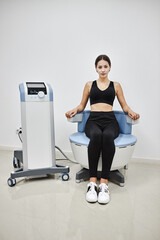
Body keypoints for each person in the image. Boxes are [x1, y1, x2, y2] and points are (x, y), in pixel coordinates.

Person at [65, 54, 140, 204]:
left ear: (110, 67)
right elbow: (82, 105)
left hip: (110, 120)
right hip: (93, 120)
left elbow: (124, 106)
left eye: (105, 66)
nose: (103, 69)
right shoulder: (89, 85)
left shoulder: (116, 85)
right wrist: (74, 109)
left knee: (107, 136)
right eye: (100, 67)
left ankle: (104, 183)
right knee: (97, 135)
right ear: (96, 68)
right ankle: (92, 183)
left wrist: (131, 112)